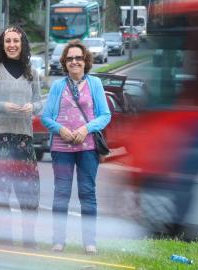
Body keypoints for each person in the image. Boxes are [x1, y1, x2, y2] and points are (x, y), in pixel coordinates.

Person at [41, 39, 111, 255]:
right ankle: (58, 240)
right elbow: (45, 117)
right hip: (62, 149)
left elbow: (105, 115)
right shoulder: (58, 86)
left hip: (88, 147)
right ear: (65, 62)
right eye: (70, 58)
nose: (74, 62)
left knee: (87, 192)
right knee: (61, 193)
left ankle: (89, 242)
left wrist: (85, 129)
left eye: (78, 58)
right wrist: (61, 130)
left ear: (85, 61)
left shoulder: (95, 84)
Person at [0, 26, 42, 248]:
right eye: (8, 41)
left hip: (24, 139)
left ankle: (29, 239)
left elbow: (40, 102)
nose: (12, 45)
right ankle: (5, 240)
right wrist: (3, 106)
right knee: (2, 191)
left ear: (22, 44)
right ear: (2, 45)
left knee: (30, 191)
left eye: (16, 41)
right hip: (0, 138)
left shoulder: (32, 72)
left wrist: (32, 107)